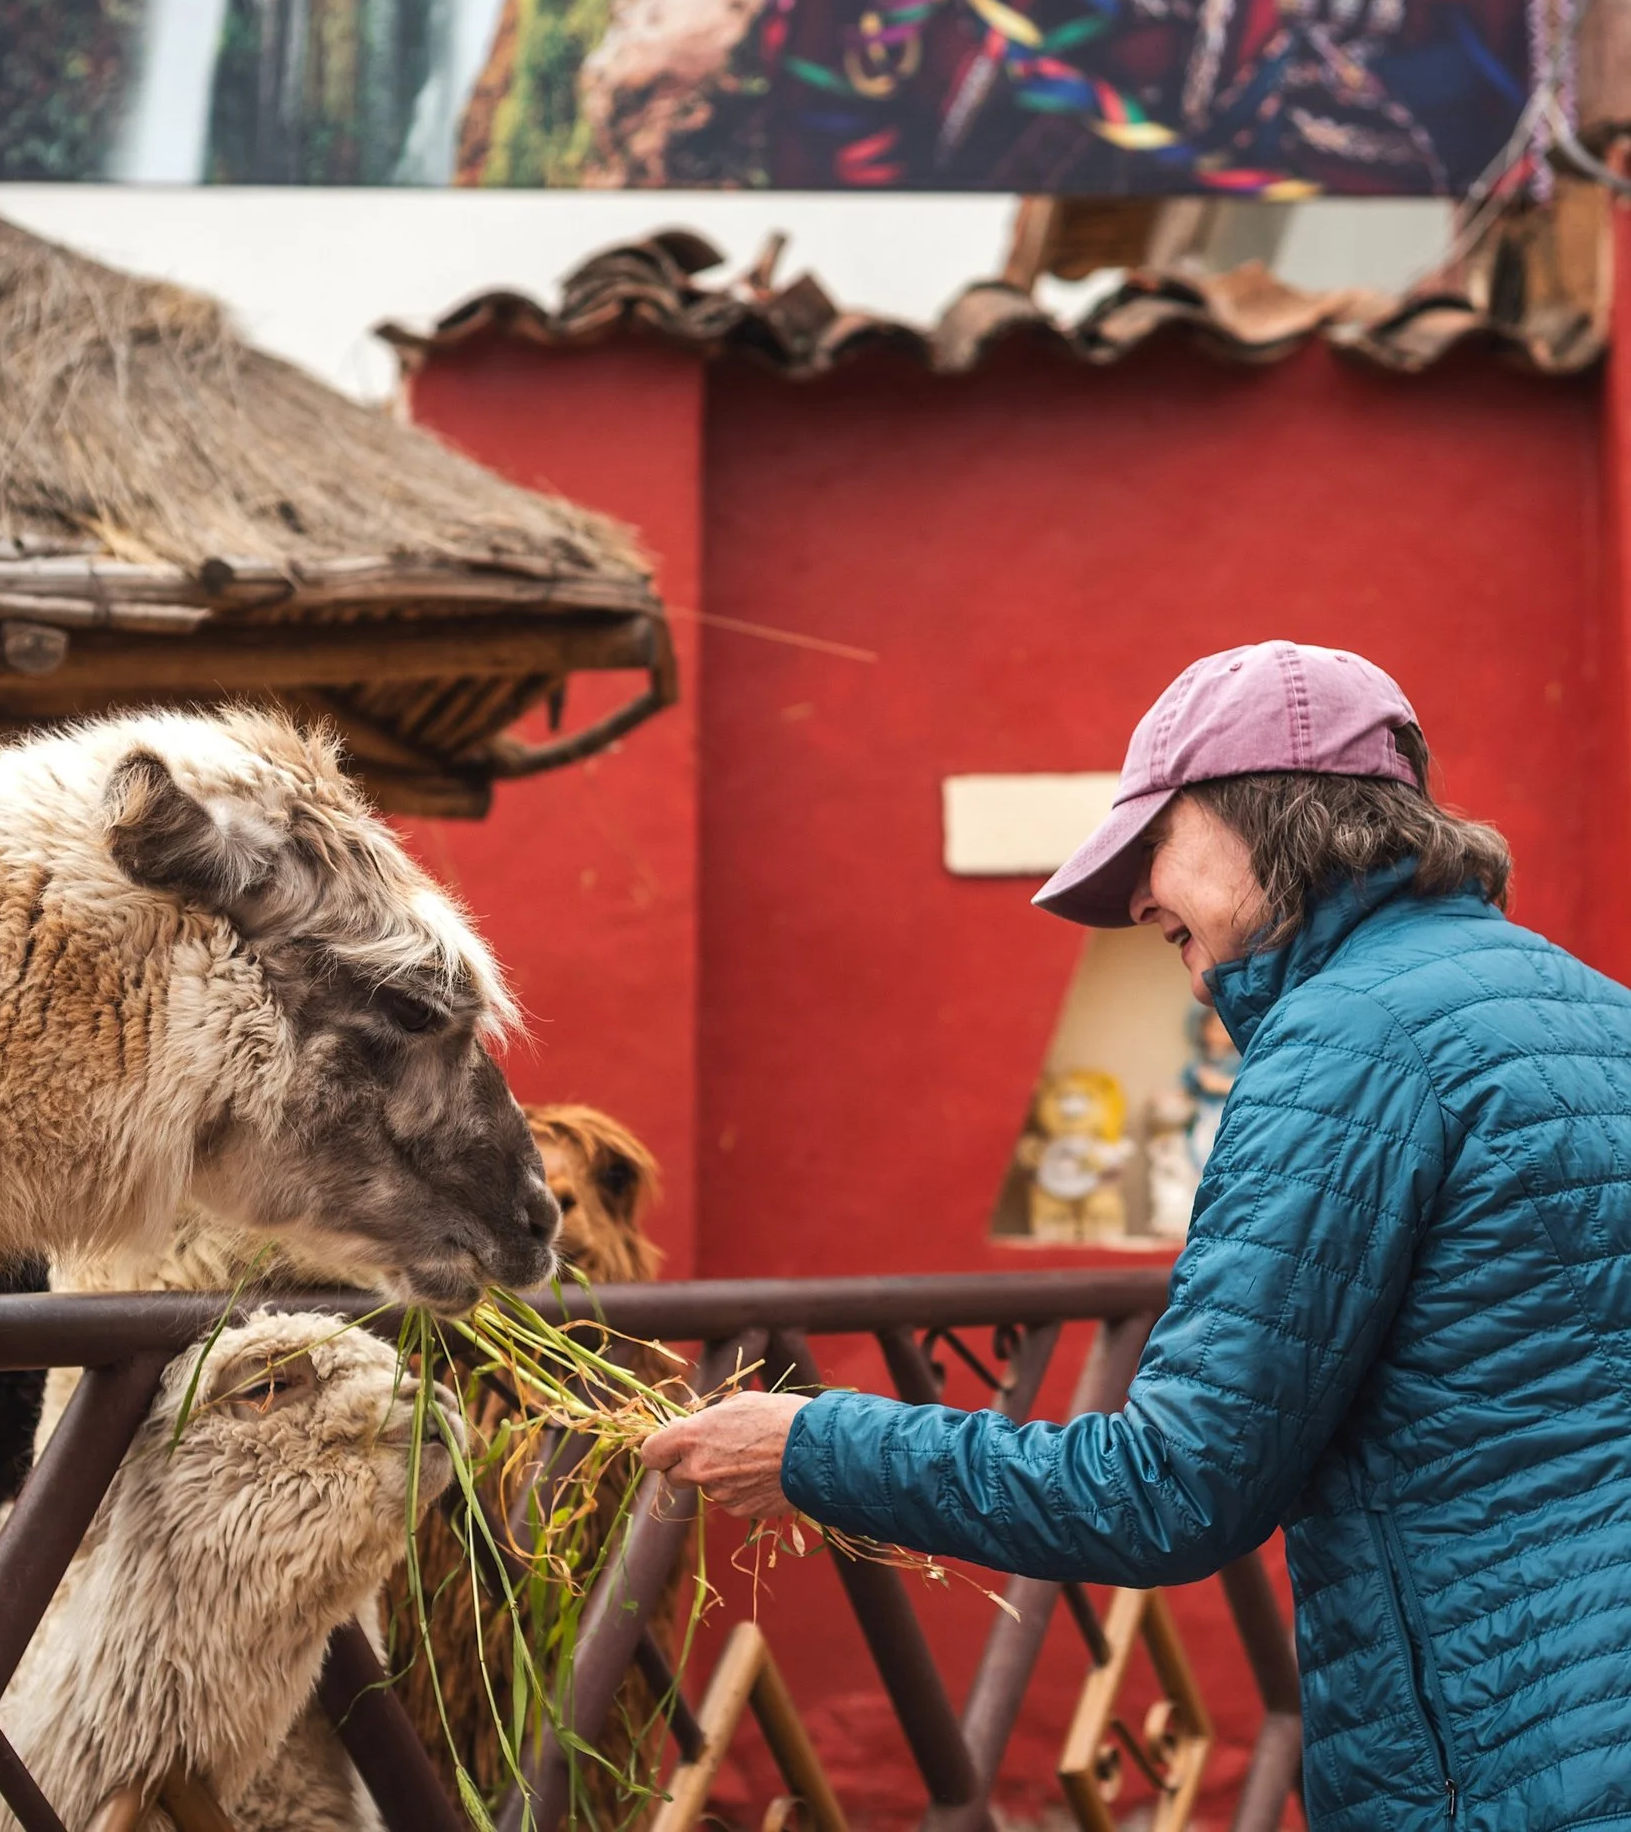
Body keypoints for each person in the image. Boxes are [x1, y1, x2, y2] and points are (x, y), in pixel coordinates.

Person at [642, 641, 1631, 1829]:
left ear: (1266, 815)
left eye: (1151, 850)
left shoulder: (1345, 1039)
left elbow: (1167, 1491)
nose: (1135, 903)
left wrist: (810, 1449)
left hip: (1510, 1773)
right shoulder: (1593, 1011)